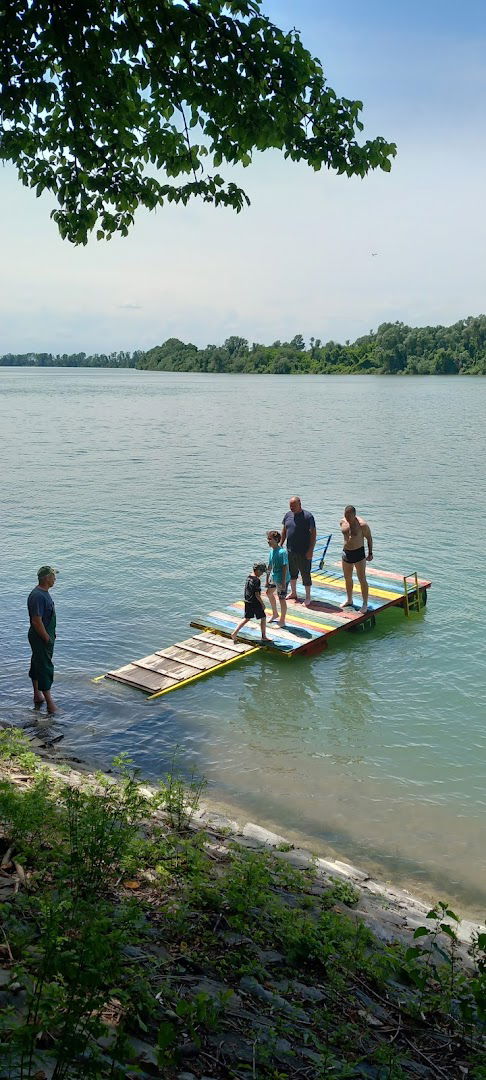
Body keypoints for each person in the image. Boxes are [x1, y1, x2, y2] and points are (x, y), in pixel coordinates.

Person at [27, 565, 58, 714]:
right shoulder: (38, 596)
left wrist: (52, 634)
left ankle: (37, 696)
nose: (55, 579)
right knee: (45, 666)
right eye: (53, 576)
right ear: (46, 578)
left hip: (42, 635)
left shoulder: (43, 593)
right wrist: (46, 638)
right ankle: (51, 705)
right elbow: (36, 621)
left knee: (37, 663)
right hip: (40, 637)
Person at [280, 495, 316, 606]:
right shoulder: (287, 515)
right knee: (292, 573)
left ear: (300, 504)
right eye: (290, 506)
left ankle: (308, 597)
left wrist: (310, 550)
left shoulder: (308, 516)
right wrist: (280, 545)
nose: (291, 508)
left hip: (304, 551)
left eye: (293, 505)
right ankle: (294, 593)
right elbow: (284, 531)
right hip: (290, 550)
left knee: (305, 573)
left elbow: (313, 534)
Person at [339, 506, 373, 613]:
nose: (347, 518)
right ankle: (349, 599)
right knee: (347, 578)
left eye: (350, 516)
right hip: (346, 552)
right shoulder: (342, 522)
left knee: (362, 578)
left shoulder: (362, 525)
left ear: (355, 515)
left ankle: (365, 603)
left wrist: (370, 553)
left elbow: (369, 538)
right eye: (346, 515)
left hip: (358, 553)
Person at [231, 562, 271, 643]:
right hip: (255, 602)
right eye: (262, 572)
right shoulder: (257, 580)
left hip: (247, 601)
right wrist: (262, 604)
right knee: (263, 618)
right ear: (258, 571)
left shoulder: (249, 577)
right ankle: (263, 636)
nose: (262, 574)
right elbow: (257, 594)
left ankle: (235, 633)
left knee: (247, 618)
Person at [265, 530, 289, 627]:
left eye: (270, 539)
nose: (268, 541)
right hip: (274, 577)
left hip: (282, 579)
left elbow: (285, 567)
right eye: (268, 539)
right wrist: (267, 579)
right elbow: (269, 566)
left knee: (281, 598)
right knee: (268, 593)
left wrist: (283, 582)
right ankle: (275, 613)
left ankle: (282, 621)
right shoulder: (272, 551)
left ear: (276, 540)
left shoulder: (282, 552)